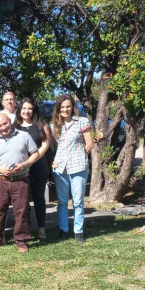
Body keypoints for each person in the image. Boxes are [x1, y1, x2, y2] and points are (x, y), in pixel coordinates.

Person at [0, 113, 40, 253]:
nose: (3, 127)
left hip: (20, 180)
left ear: (10, 121)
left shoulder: (24, 136)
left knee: (21, 211)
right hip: (1, 181)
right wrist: (0, 168)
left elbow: (35, 153)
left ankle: (21, 241)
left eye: (5, 123)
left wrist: (25, 164)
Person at [51, 94, 94, 242]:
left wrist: (82, 156)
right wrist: (53, 160)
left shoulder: (81, 121)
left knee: (77, 201)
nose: (65, 109)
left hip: (78, 166)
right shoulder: (54, 125)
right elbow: (52, 146)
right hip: (60, 167)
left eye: (68, 106)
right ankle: (63, 229)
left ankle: (79, 231)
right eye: (62, 107)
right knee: (62, 201)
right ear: (58, 109)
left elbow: (89, 143)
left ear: (72, 107)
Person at [15, 97, 51, 242]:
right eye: (24, 108)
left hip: (38, 165)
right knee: (23, 198)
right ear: (19, 110)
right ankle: (26, 228)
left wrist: (34, 158)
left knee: (39, 197)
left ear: (33, 110)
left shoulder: (41, 124)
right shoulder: (15, 126)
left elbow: (46, 143)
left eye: (29, 108)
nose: (26, 111)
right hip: (21, 166)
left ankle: (41, 228)